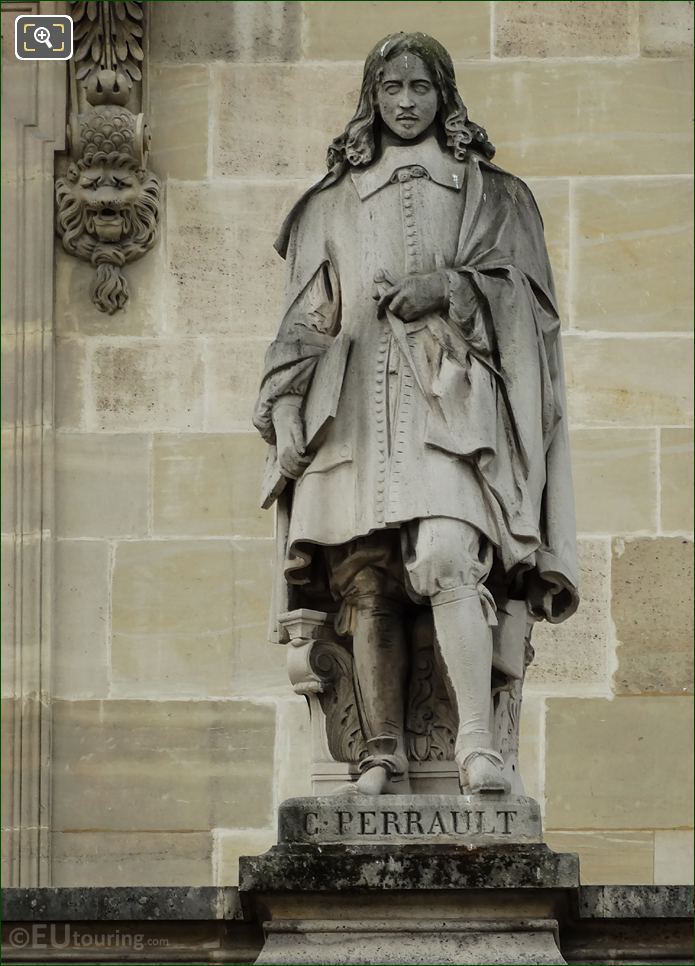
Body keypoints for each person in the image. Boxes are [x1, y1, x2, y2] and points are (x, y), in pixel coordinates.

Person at [253, 32, 578, 796]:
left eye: (419, 88)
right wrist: (286, 408)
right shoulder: (329, 204)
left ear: (444, 97)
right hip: (353, 414)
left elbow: (531, 312)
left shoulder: (491, 194)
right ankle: (381, 753)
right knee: (363, 580)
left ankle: (474, 746)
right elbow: (303, 323)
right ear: (371, 97)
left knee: (443, 555)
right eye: (390, 88)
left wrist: (451, 290)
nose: (404, 102)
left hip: (452, 410)